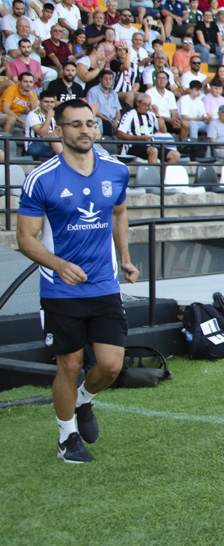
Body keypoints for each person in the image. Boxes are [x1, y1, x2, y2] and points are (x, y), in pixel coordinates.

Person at [15, 98, 136, 464]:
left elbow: (119, 213)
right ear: (61, 130)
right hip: (60, 287)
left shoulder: (115, 170)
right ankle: (67, 438)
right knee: (68, 365)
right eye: (76, 125)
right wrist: (58, 264)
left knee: (112, 365)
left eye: (90, 123)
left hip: (104, 283)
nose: (85, 130)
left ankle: (83, 399)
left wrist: (126, 258)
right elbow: (25, 238)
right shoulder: (41, 178)